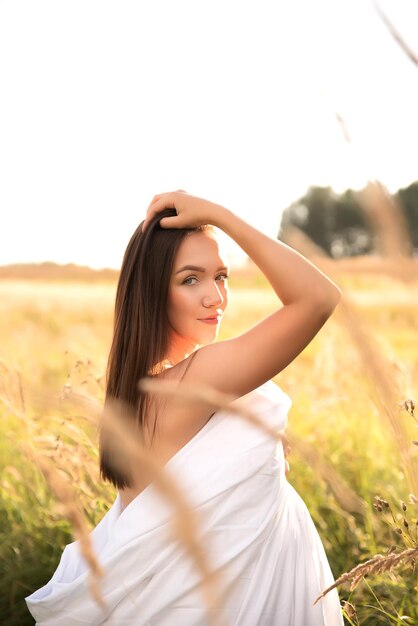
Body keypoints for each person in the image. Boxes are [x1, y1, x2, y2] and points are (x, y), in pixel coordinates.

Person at [26, 190, 344, 625]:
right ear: (154, 291)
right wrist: (221, 215)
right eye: (190, 279)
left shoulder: (139, 394)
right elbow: (318, 298)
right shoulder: (194, 382)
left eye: (221, 276)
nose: (216, 297)